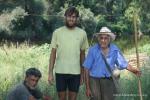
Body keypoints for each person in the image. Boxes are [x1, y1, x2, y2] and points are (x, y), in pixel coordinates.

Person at [83, 27, 141, 100]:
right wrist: (87, 88)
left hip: (108, 81)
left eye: (106, 38)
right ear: (98, 39)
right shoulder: (93, 50)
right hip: (94, 81)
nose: (103, 40)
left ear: (109, 39)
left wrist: (134, 70)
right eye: (101, 38)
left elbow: (123, 64)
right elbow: (86, 68)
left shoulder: (114, 49)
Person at [48, 6, 89, 100]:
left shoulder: (82, 33)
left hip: (76, 73)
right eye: (69, 16)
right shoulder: (57, 32)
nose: (71, 18)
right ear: (65, 17)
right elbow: (53, 54)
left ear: (77, 18)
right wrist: (50, 73)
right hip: (60, 72)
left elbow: (83, 56)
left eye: (74, 17)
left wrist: (82, 74)